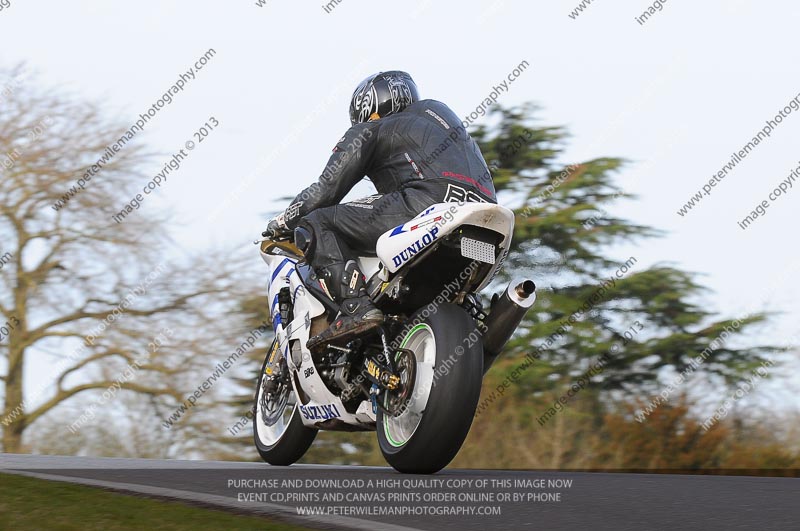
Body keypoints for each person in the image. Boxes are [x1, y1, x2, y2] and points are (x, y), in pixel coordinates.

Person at [266, 71, 496, 351]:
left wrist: (285, 220)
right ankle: (481, 320)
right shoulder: (444, 118)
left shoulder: (372, 128)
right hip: (485, 218)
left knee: (317, 222)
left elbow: (326, 191)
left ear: (368, 106)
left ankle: (355, 306)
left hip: (429, 203)